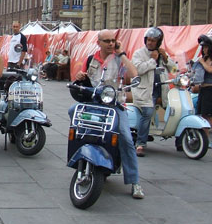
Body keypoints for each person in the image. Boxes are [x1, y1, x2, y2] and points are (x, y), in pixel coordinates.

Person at [74, 29, 144, 199]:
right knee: (73, 115)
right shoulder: (91, 59)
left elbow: (134, 74)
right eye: (107, 41)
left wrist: (122, 54)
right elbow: (80, 78)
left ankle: (135, 182)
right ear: (99, 43)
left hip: (115, 106)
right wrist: (79, 75)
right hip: (94, 104)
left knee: (126, 139)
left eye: (113, 40)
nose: (111, 44)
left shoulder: (120, 60)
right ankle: (80, 161)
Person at [131, 27, 177, 157]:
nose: (150, 43)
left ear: (159, 42)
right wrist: (152, 60)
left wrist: (166, 58)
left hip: (161, 89)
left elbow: (174, 70)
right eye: (149, 40)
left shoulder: (161, 54)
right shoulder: (139, 53)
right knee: (147, 112)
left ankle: (180, 140)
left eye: (153, 41)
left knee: (175, 110)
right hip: (145, 91)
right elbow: (138, 69)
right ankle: (140, 143)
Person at [194, 34, 212, 149]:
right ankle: (204, 138)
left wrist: (202, 62)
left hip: (211, 89)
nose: (204, 49)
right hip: (203, 88)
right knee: (202, 115)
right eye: (203, 47)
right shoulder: (205, 59)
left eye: (206, 47)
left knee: (211, 115)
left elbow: (211, 69)